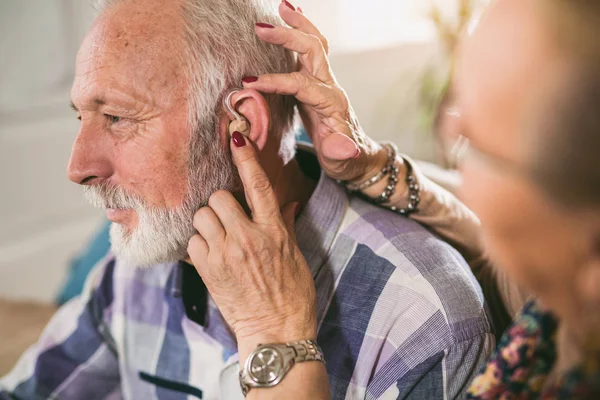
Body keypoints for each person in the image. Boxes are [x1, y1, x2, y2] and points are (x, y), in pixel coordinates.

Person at [0, 0, 494, 399]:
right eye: (80, 117)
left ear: (242, 124)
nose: (79, 167)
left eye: (117, 118)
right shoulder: (135, 262)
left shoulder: (421, 322)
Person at [185, 0, 600, 399]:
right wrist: (374, 167)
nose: (450, 151)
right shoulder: (556, 315)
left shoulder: (433, 319)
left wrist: (274, 341)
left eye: (467, 141)